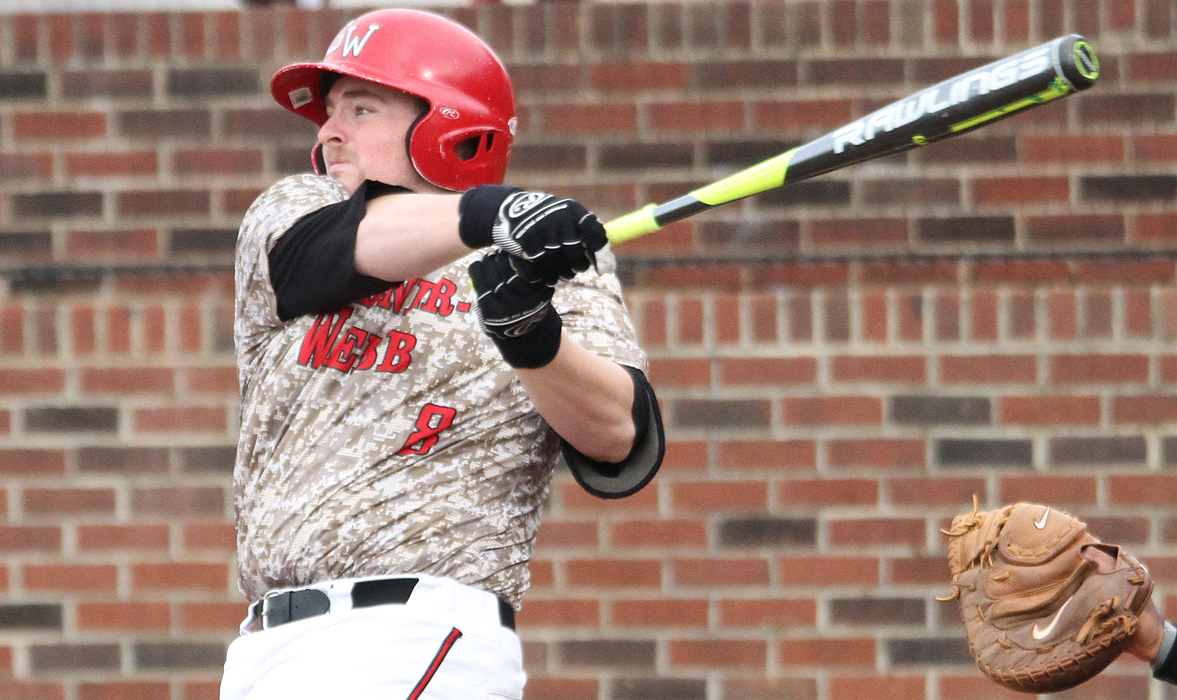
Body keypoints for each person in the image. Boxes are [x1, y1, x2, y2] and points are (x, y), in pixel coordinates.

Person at [221, 9, 664, 700]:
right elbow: (325, 256)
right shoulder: (294, 214)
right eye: (328, 112)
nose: (330, 131)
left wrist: (532, 339)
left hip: (417, 634)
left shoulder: (558, 267)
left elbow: (619, 437)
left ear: (450, 131)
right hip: (266, 647)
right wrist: (494, 212)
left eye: (361, 109)